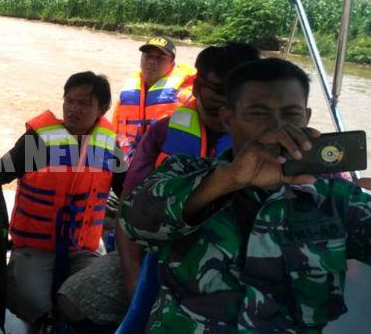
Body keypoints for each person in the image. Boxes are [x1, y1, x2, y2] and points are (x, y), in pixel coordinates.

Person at [121, 57, 371, 332]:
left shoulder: (336, 199)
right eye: (258, 114)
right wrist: (229, 178)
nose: (277, 127)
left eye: (291, 114)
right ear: (228, 119)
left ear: (307, 118)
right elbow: (134, 222)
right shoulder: (183, 172)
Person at [57, 43, 260, 329]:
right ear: (198, 86)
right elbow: (128, 215)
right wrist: (135, 289)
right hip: (156, 255)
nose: (226, 102)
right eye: (218, 89)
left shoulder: (273, 146)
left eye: (237, 91)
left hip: (239, 263)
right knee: (72, 300)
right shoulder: (163, 133)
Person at [0, 72, 127, 330]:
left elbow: (129, 193)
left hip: (82, 251)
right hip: (35, 248)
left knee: (96, 301)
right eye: (69, 101)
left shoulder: (109, 148)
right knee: (31, 300)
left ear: (102, 109)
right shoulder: (39, 140)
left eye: (83, 103)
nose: (73, 109)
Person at [111, 36, 195, 162]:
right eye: (148, 56)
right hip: (127, 163)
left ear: (171, 63)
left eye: (160, 57)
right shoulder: (128, 93)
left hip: (163, 166)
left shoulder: (185, 96)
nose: (152, 61)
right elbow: (113, 131)